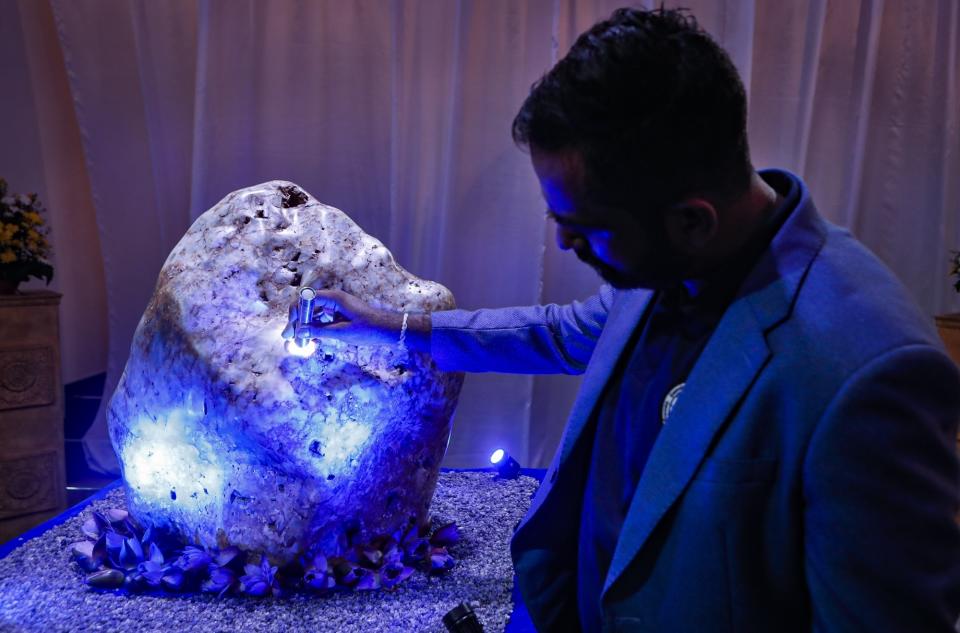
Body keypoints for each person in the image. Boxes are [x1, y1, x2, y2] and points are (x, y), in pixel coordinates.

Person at [283, 7, 960, 632]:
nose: (563, 245)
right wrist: (389, 326)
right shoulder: (663, 258)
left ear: (692, 220)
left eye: (582, 228)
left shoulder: (870, 372)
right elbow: (554, 331)